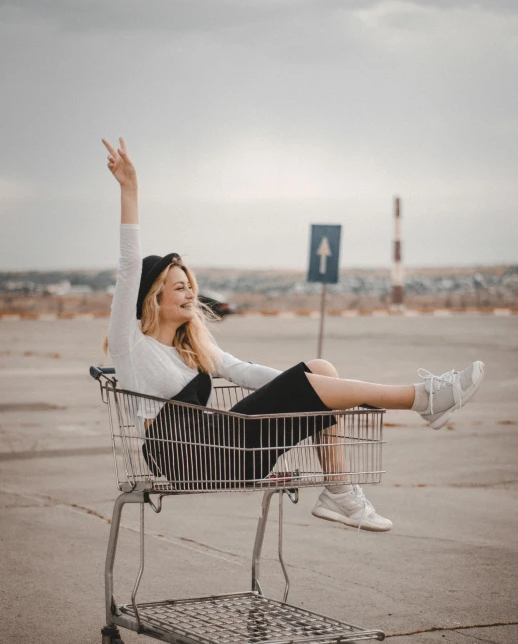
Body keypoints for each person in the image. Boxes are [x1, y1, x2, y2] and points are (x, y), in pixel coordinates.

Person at [103, 137, 485, 533]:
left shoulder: (193, 348)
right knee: (313, 381)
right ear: (152, 295)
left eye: (190, 285)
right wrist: (130, 189)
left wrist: (307, 386)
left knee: (320, 368)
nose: (190, 293)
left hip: (222, 446)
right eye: (179, 286)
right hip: (192, 457)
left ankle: (338, 490)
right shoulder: (130, 344)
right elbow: (129, 264)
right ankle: (422, 398)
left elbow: (244, 372)